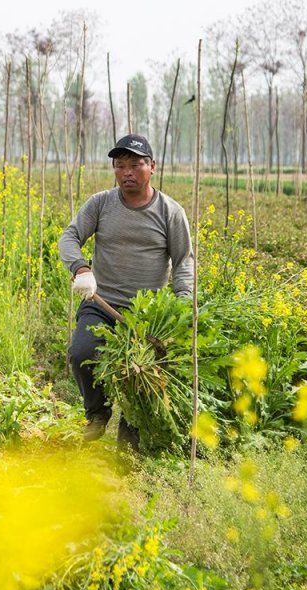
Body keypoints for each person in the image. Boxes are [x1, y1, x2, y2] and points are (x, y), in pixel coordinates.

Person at [59, 133, 194, 450]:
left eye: (135, 165)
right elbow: (69, 237)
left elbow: (184, 261)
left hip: (147, 317)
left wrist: (183, 302)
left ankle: (128, 446)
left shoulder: (170, 212)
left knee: (139, 377)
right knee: (81, 353)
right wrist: (81, 268)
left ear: (152, 166)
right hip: (101, 304)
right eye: (120, 166)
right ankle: (97, 413)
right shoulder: (101, 204)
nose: (127, 173)